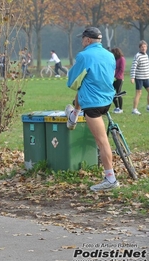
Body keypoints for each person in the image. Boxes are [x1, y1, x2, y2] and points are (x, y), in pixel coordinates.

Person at [64, 27, 118, 191]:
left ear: (87, 40)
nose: (82, 42)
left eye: (83, 39)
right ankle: (74, 115)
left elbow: (71, 80)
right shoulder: (110, 55)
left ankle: (110, 179)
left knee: (102, 142)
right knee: (83, 89)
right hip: (108, 99)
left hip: (93, 105)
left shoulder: (84, 55)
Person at [130, 40, 149, 115]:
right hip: (139, 78)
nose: (143, 48)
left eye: (144, 46)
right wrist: (132, 77)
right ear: (139, 48)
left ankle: (148, 106)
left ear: (146, 47)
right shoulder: (137, 56)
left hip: (146, 77)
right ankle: (134, 110)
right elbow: (133, 67)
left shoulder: (146, 55)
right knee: (139, 93)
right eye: (142, 47)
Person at [110, 47, 126, 113]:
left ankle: (121, 108)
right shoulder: (116, 59)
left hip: (119, 78)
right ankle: (117, 107)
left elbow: (122, 69)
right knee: (111, 93)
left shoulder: (122, 59)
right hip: (114, 78)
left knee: (118, 93)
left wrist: (117, 76)